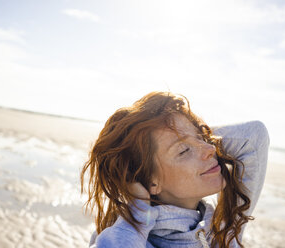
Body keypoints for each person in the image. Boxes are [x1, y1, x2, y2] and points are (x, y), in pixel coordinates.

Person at [81, 91, 270, 248]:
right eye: (184, 150)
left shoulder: (222, 231)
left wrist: (184, 134)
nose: (211, 149)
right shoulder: (123, 238)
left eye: (202, 137)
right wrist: (138, 215)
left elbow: (253, 137)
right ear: (151, 182)